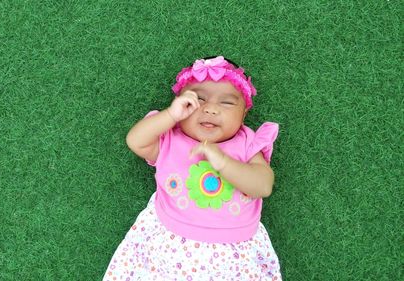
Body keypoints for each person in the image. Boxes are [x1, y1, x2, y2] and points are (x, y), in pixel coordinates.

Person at [103, 56, 282, 280]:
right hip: (169, 249)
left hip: (234, 257)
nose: (210, 109)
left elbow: (263, 186)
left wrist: (224, 163)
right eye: (198, 100)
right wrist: (170, 115)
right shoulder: (170, 139)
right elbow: (136, 141)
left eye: (227, 102)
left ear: (244, 114)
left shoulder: (246, 143)